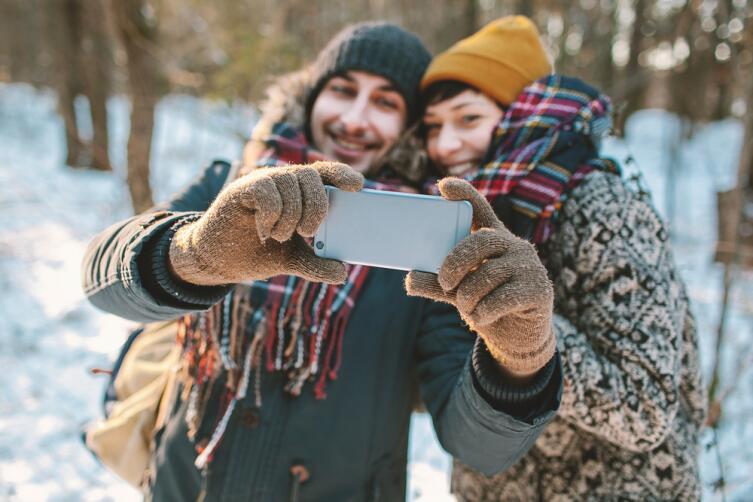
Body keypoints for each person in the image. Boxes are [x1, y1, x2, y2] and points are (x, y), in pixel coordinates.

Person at [81, 22, 563, 501]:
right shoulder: (233, 187)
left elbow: (478, 446)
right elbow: (99, 279)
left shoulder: (428, 241)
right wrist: (195, 258)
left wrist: (519, 357)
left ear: (409, 128)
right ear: (311, 97)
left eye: (385, 103)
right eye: (342, 90)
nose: (355, 119)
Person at [411, 15, 707, 501]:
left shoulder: (603, 207)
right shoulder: (455, 220)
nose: (444, 145)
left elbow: (645, 406)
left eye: (468, 119)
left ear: (523, 115)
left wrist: (531, 336)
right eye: (433, 127)